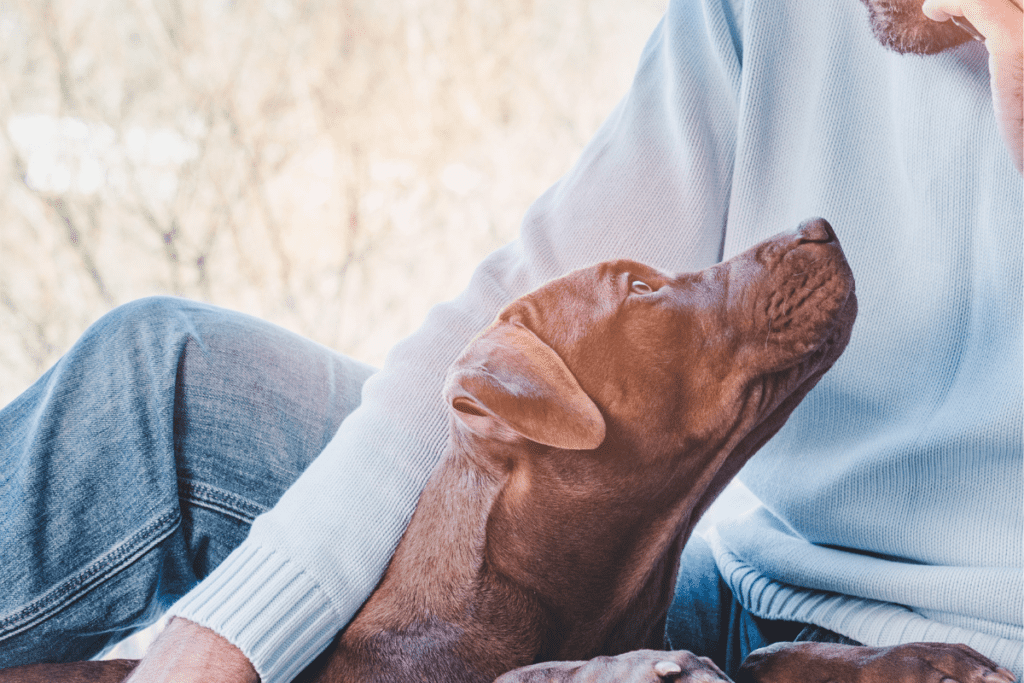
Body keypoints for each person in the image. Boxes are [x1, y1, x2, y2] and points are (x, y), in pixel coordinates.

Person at [0, 0, 1019, 677]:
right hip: (729, 583)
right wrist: (221, 638)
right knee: (169, 378)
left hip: (961, 651)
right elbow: (512, 317)